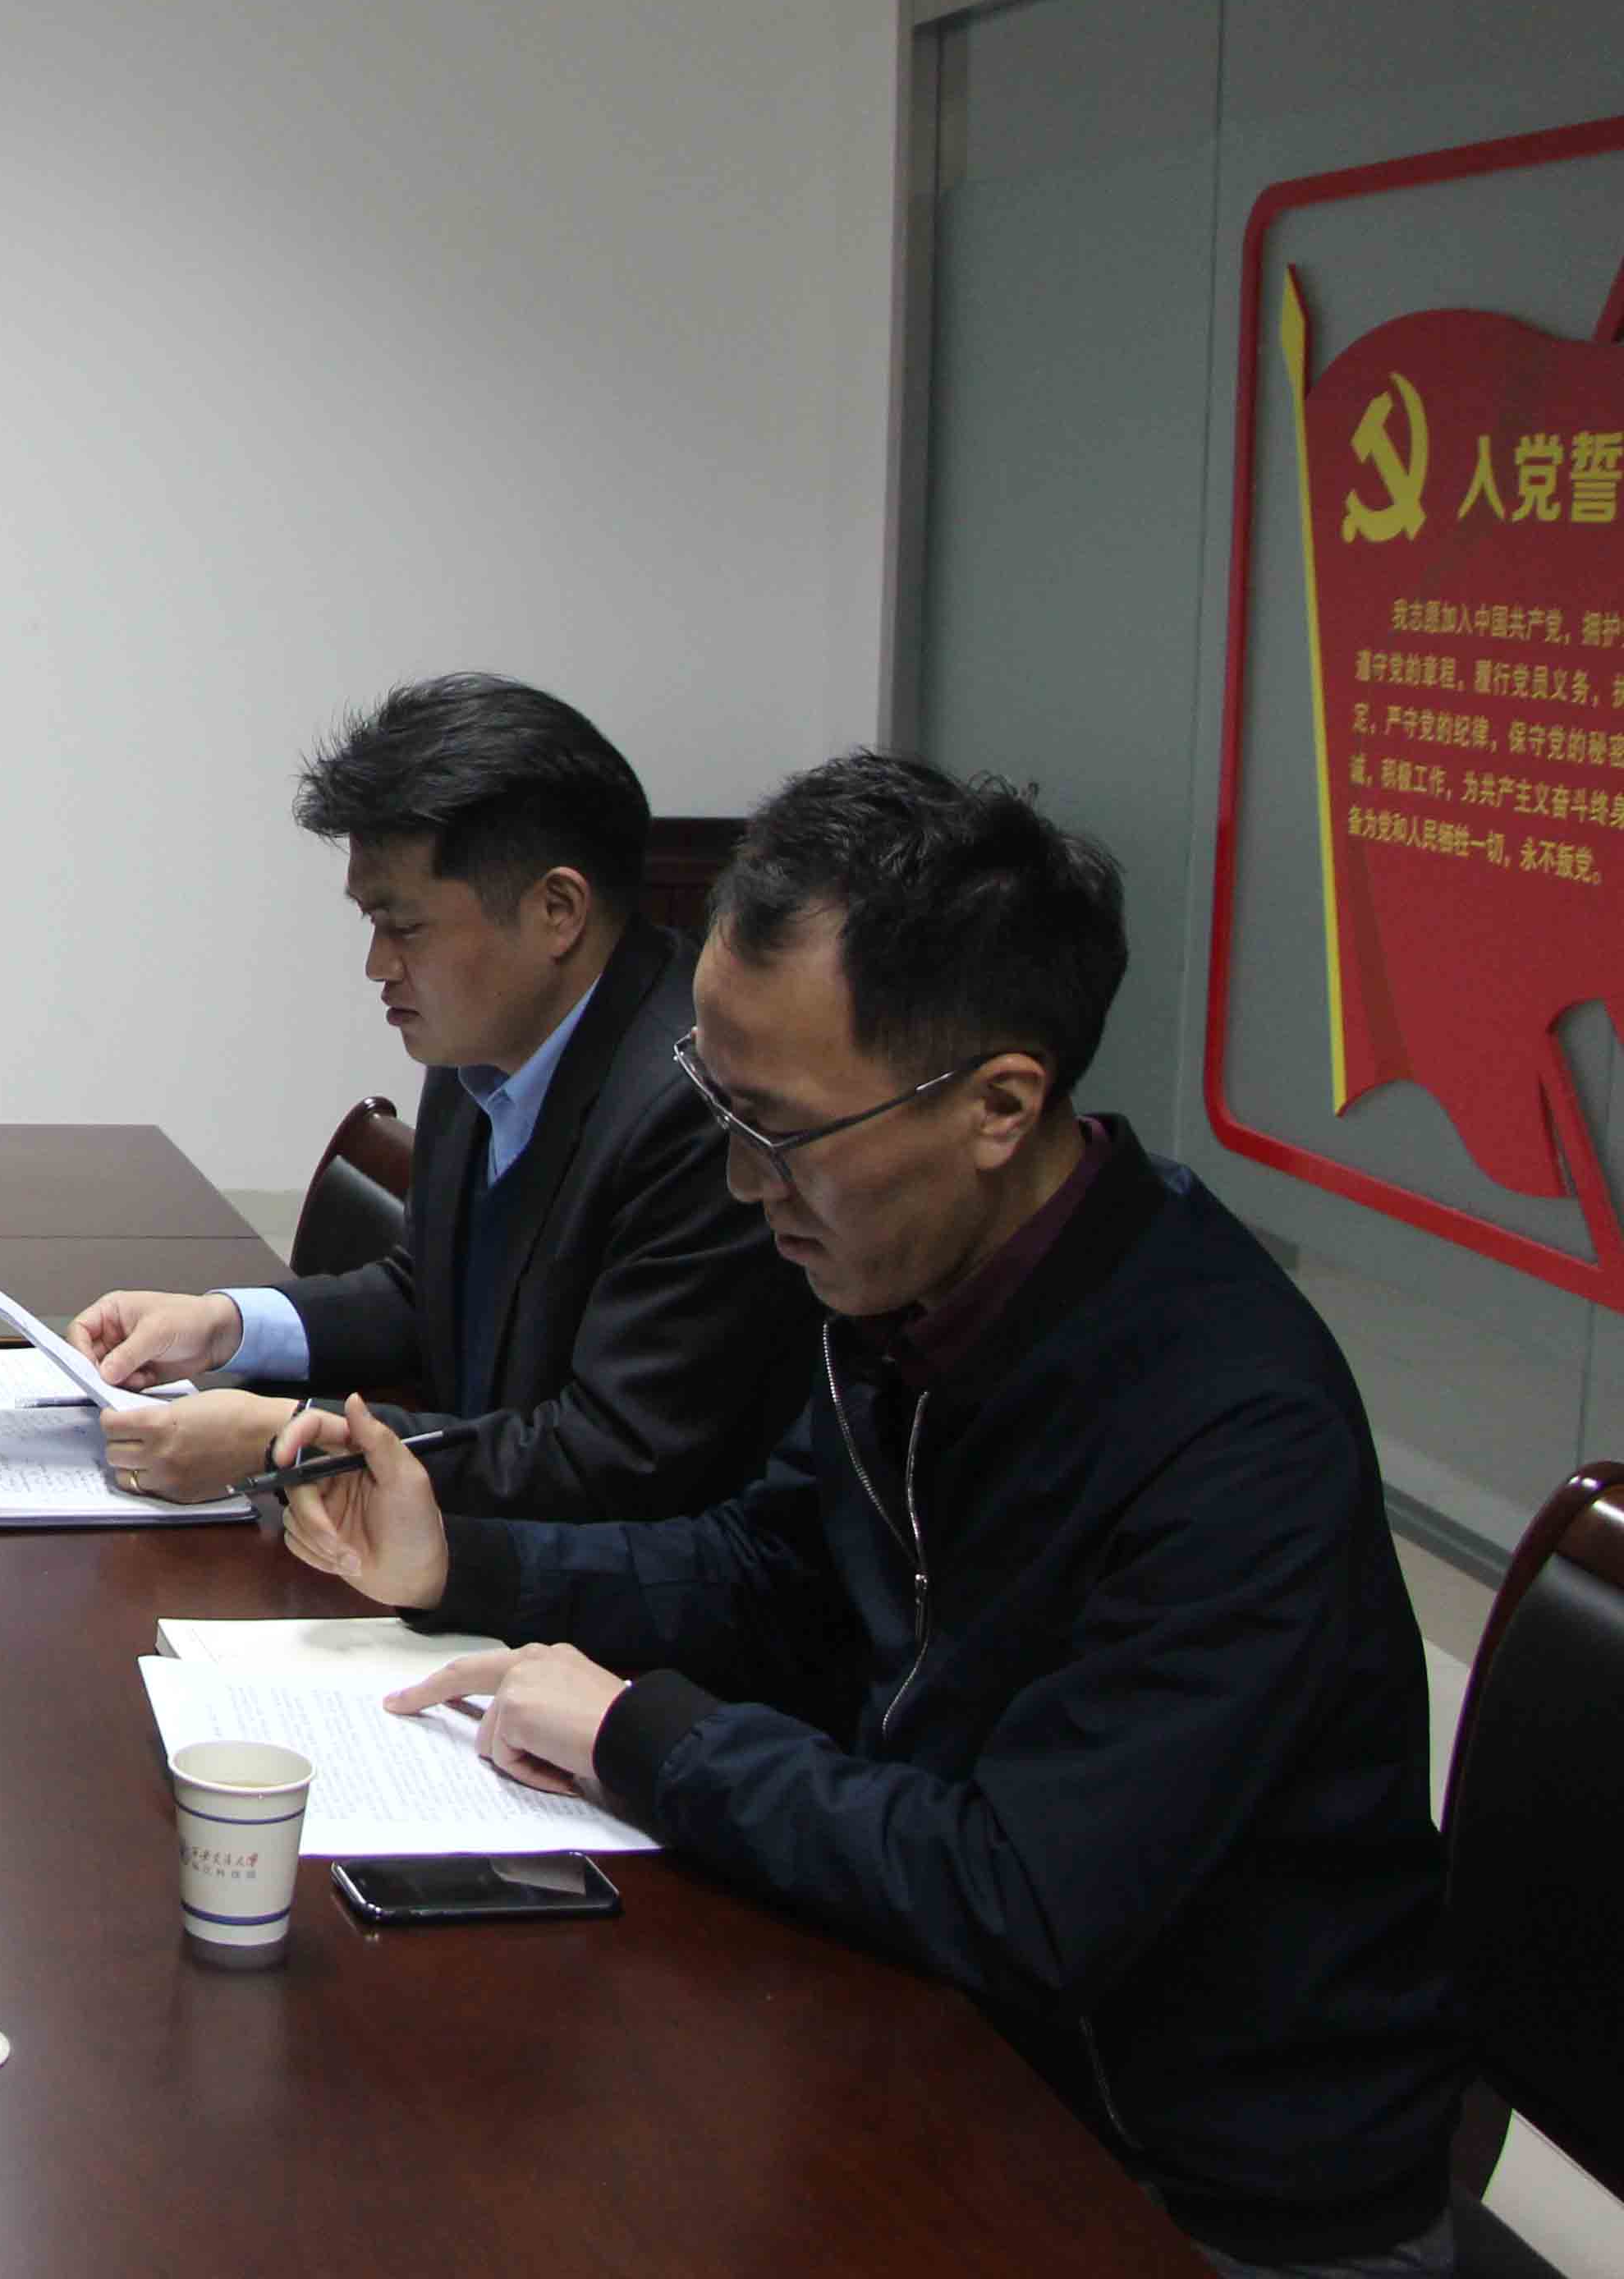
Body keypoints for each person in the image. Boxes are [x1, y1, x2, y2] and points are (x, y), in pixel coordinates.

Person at [273, 754, 1461, 2278]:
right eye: (716, 1100)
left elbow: (1021, 1895)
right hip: (948, 2040)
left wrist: (646, 1735)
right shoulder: (914, 1279)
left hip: (1188, 2189)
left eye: (777, 1129)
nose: (737, 1179)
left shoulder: (1229, 1429)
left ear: (998, 1106)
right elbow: (773, 1569)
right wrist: (464, 1559)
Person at [76, 674, 811, 1517]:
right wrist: (224, 1325)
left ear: (558, 910)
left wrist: (295, 1443)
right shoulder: (485, 1045)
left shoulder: (696, 1106)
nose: (378, 966)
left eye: (406, 927)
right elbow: (430, 1293)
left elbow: (612, 1458)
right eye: (372, 924)